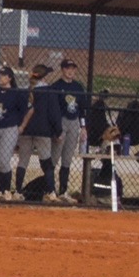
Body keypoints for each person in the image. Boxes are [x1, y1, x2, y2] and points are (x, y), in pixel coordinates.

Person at [18, 63, 64, 201]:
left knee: (23, 161)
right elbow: (54, 114)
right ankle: (51, 192)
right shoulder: (49, 92)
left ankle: (18, 191)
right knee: (46, 162)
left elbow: (21, 112)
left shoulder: (26, 91)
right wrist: (58, 131)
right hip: (42, 131)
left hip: (26, 131)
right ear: (44, 77)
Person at [46, 58, 90, 200]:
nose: (70, 71)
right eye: (67, 68)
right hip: (61, 122)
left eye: (72, 68)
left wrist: (83, 127)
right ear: (62, 70)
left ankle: (63, 191)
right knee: (55, 157)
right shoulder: (56, 86)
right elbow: (52, 109)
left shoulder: (78, 87)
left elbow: (82, 109)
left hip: (74, 122)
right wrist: (56, 129)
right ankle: (50, 190)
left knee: (67, 159)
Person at [0, 67, 29, 201]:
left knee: (4, 160)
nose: (0, 78)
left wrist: (21, 127)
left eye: (3, 75)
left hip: (9, 128)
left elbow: (25, 111)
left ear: (10, 78)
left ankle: (7, 190)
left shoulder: (16, 93)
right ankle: (0, 190)